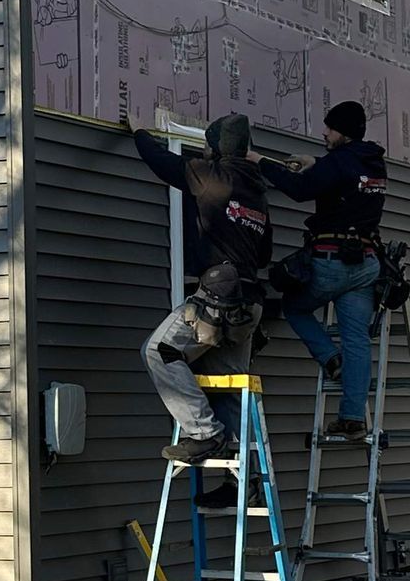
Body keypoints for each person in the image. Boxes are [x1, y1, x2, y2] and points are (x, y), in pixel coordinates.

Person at [132, 113, 273, 472]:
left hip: (216, 299)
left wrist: (139, 132)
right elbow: (264, 255)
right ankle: (243, 483)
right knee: (227, 384)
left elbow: (161, 161)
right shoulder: (258, 192)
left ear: (215, 149)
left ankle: (204, 432)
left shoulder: (211, 176)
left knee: (160, 351)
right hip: (248, 304)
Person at [260, 101, 387, 439]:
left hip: (332, 261)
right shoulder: (373, 163)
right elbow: (344, 175)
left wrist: (259, 161)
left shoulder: (340, 161)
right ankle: (353, 418)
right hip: (365, 264)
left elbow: (300, 189)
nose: (324, 132)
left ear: (343, 132)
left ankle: (331, 359)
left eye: (329, 128)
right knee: (357, 339)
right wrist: (317, 163)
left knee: (294, 307)